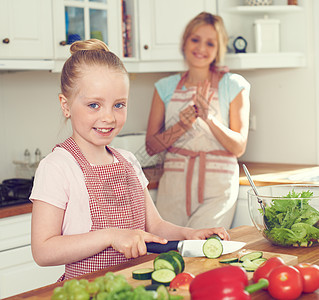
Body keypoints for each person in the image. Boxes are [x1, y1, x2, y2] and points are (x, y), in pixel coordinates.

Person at [30, 39, 229, 281]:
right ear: (66, 105)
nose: (108, 117)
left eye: (119, 105)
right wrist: (111, 236)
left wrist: (190, 234)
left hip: (138, 287)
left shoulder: (128, 161)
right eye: (94, 105)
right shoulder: (57, 167)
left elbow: (155, 226)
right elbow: (43, 250)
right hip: (89, 292)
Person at [146, 12, 250, 230]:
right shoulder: (164, 87)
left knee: (203, 252)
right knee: (170, 254)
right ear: (185, 41)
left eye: (210, 43)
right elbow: (152, 146)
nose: (201, 48)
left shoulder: (233, 85)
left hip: (216, 188)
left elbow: (238, 147)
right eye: (195, 39)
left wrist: (208, 118)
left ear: (218, 50)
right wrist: (183, 125)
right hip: (173, 188)